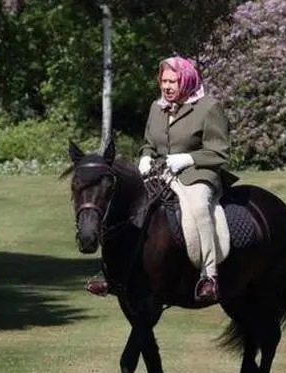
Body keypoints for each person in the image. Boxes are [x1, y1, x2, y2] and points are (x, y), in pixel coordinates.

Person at [86, 56, 237, 303]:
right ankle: (113, 275)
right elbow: (149, 144)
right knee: (122, 204)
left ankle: (209, 276)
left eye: (173, 82)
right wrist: (145, 157)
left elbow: (219, 152)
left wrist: (188, 158)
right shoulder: (157, 107)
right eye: (163, 81)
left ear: (186, 81)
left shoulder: (208, 107)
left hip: (196, 174)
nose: (166, 87)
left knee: (199, 208)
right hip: (160, 173)